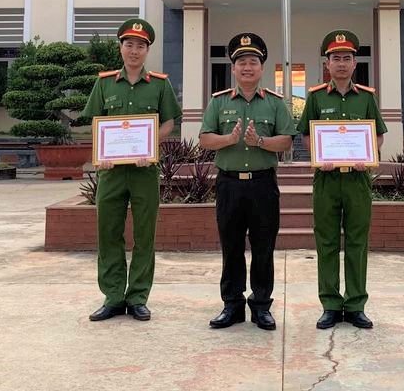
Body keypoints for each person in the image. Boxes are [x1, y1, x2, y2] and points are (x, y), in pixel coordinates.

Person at [83, 19, 181, 323]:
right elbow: (96, 122)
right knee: (108, 233)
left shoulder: (161, 85)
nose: (134, 50)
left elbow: (169, 123)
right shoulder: (104, 83)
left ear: (147, 49)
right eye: (129, 45)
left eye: (140, 45)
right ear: (120, 48)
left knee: (144, 235)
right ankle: (113, 296)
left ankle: (138, 296)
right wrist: (102, 153)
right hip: (111, 172)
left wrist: (150, 143)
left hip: (144, 171)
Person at [199, 33, 295, 331]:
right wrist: (229, 139)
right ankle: (232, 305)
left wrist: (260, 141)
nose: (247, 67)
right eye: (241, 62)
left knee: (264, 247)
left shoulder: (276, 104)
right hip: (229, 184)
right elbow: (204, 139)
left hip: (263, 184)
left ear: (262, 67)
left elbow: (287, 142)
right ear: (233, 68)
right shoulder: (218, 102)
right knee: (231, 246)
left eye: (253, 61)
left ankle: (262, 306)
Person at [298, 30, 386, 330]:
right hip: (326, 179)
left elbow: (378, 135)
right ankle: (331, 304)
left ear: (355, 63)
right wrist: (320, 156)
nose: (341, 64)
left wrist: (369, 152)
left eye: (347, 58)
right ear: (327, 63)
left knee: (358, 242)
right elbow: (308, 135)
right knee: (327, 241)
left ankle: (357, 304)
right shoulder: (316, 97)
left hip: (358, 180)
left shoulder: (367, 98)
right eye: (336, 58)